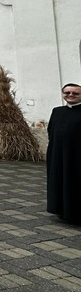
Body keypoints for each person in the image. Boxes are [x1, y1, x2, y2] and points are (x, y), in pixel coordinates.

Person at [46, 83, 81, 224]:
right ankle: (61, 210)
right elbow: (51, 131)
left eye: (75, 93)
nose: (70, 95)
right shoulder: (57, 111)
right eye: (67, 93)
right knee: (59, 181)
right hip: (57, 154)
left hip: (77, 156)